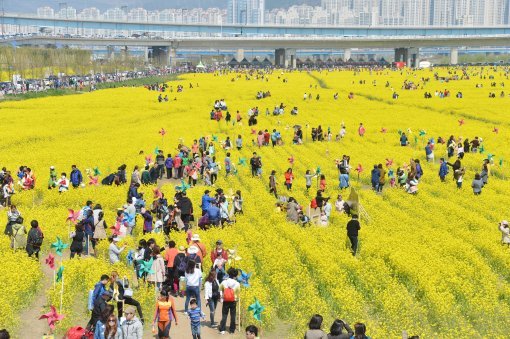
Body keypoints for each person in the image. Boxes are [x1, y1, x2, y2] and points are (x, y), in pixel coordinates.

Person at [218, 267, 240, 335]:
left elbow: (220, 289)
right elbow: (237, 293)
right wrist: (236, 298)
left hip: (226, 300)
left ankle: (222, 329)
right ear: (235, 276)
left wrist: (222, 296)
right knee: (233, 315)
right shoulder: (237, 284)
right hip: (233, 301)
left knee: (224, 315)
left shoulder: (224, 282)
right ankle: (232, 330)